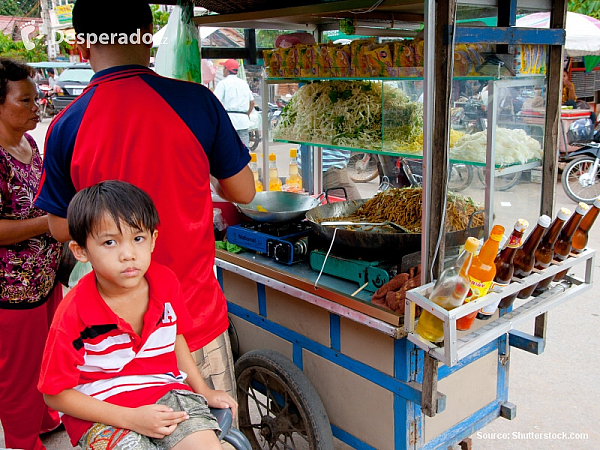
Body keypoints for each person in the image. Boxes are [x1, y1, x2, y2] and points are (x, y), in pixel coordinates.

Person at [34, 0, 255, 411]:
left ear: (82, 45)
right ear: (147, 34)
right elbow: (244, 192)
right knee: (212, 431)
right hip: (194, 320)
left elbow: (60, 228)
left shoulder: (67, 125)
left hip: (109, 343)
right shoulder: (196, 102)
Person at [38, 180, 237, 449]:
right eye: (110, 242)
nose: (128, 254)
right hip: (101, 410)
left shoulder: (165, 283)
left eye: (138, 238)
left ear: (153, 240)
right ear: (81, 251)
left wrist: (203, 390)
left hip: (166, 391)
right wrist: (131, 418)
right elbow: (54, 394)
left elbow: (175, 337)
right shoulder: (72, 315)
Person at [0, 57, 63, 450]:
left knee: (46, 361)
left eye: (36, 98)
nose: (36, 106)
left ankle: (42, 419)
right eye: (25, 100)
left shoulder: (27, 143)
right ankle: (23, 440)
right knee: (17, 376)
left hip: (45, 278)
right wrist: (51, 223)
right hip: (12, 290)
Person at [213, 59, 255, 147]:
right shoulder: (244, 84)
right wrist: (246, 114)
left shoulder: (223, 84)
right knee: (244, 150)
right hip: (243, 121)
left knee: (228, 149)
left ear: (226, 70)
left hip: (228, 120)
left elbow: (215, 102)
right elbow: (252, 102)